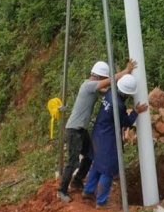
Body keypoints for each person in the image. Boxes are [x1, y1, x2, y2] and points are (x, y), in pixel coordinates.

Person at [57, 59, 136, 202]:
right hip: (74, 130)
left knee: (90, 155)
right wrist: (126, 71)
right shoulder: (88, 86)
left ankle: (77, 181)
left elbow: (108, 92)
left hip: (81, 130)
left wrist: (120, 90)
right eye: (103, 78)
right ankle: (62, 190)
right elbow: (110, 82)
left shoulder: (93, 89)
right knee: (73, 162)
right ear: (98, 76)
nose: (104, 81)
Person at [83, 74, 148, 209]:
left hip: (98, 133)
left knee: (97, 163)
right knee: (108, 169)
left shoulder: (110, 92)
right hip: (108, 138)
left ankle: (88, 191)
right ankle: (101, 202)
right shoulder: (118, 105)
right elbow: (125, 121)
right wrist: (135, 112)